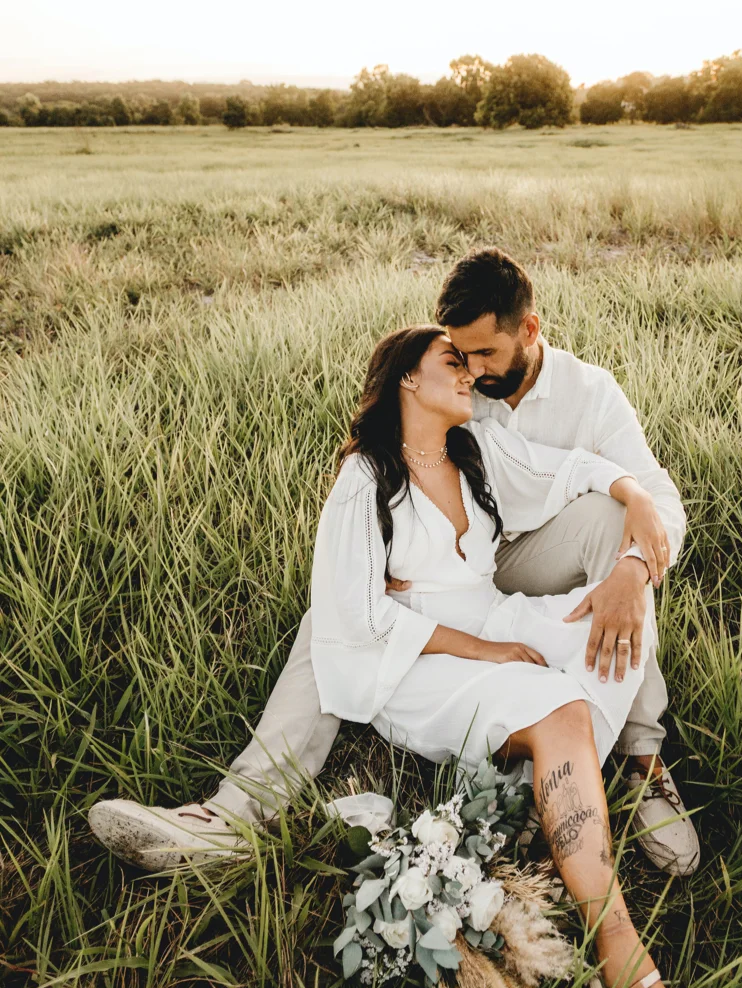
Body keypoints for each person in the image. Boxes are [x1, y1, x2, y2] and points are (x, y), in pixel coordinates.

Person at [88, 250, 698, 878]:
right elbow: (393, 452)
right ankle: (236, 813)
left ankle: (640, 758)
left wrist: (630, 560)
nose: (473, 371)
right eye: (460, 356)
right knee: (334, 614)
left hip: (535, 560)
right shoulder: (456, 391)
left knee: (614, 526)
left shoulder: (591, 394)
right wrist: (387, 554)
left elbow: (658, 507)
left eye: (486, 354)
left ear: (530, 331)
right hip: (452, 572)